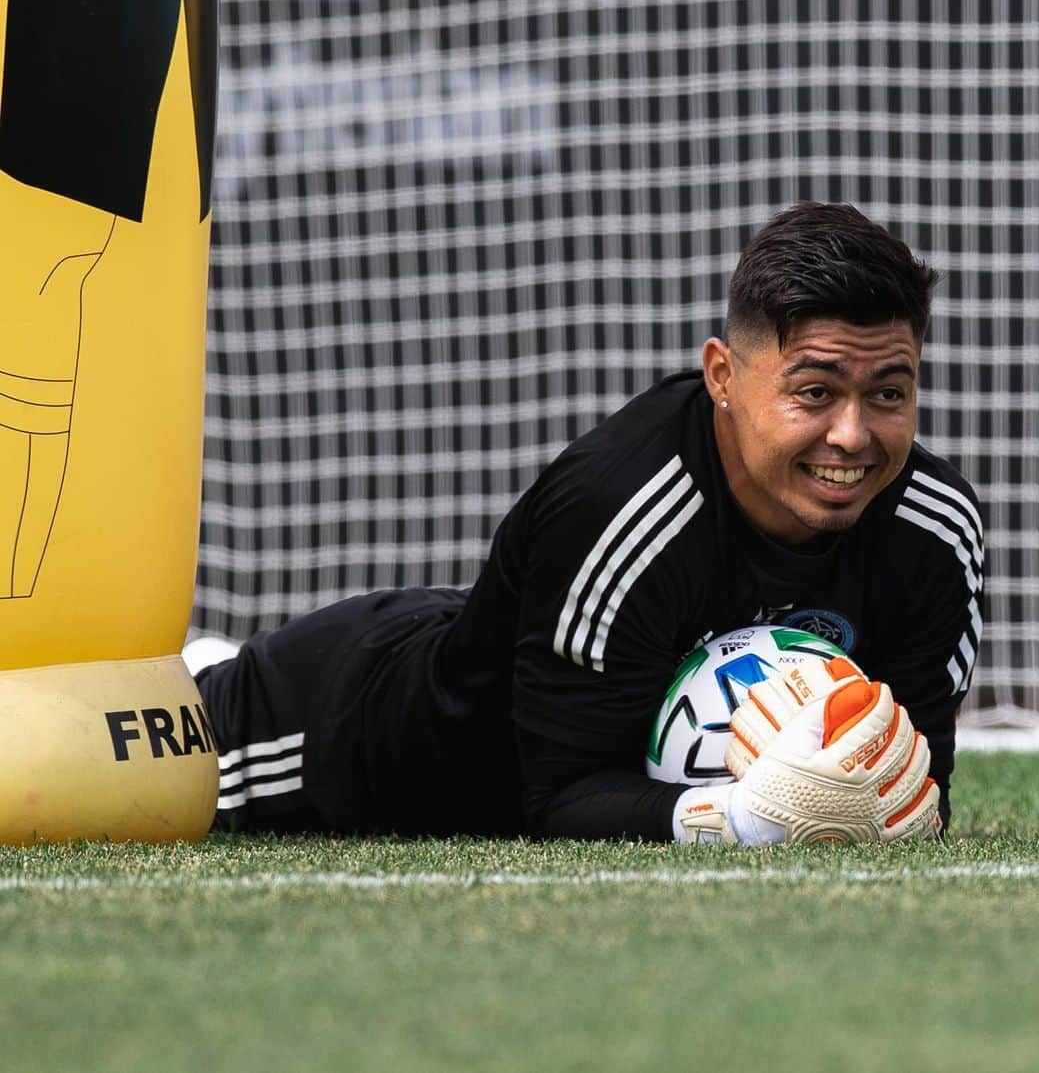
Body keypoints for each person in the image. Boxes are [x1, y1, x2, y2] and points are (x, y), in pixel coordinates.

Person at [190, 202, 983, 845]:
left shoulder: (934, 532)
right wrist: (739, 817)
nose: (852, 435)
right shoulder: (620, 506)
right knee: (115, 786)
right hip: (352, 737)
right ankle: (210, 673)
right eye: (813, 393)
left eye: (888, 393)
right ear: (723, 377)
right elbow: (562, 799)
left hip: (517, 654)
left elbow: (918, 796)